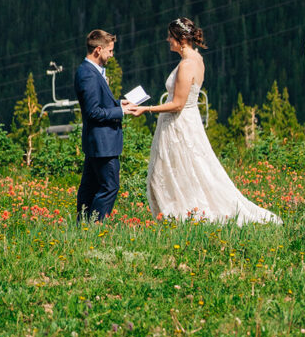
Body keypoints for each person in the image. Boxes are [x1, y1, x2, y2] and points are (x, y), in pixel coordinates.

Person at [132, 17, 282, 225]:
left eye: (171, 37)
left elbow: (177, 104)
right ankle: (175, 215)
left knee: (171, 172)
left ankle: (179, 215)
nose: (168, 40)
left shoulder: (187, 65)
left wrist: (146, 109)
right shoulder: (197, 59)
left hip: (179, 125)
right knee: (184, 170)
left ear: (181, 38)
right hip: (185, 122)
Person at [74, 28, 136, 221]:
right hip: (103, 144)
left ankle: (83, 224)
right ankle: (95, 224)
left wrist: (118, 103)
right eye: (110, 51)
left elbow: (99, 105)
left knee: (90, 186)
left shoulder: (90, 71)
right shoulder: (89, 75)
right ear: (98, 50)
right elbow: (93, 112)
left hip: (98, 142)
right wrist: (121, 111)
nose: (112, 55)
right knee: (110, 186)